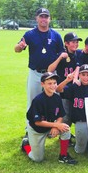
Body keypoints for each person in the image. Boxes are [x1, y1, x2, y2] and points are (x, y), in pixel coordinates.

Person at [14, 8, 64, 137]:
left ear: (50, 19)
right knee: (32, 101)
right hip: (36, 73)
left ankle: (51, 127)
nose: (43, 19)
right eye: (41, 16)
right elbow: (17, 48)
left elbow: (63, 53)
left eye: (46, 16)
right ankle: (29, 128)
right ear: (36, 18)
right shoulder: (30, 34)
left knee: (53, 101)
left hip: (51, 75)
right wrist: (19, 47)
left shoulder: (56, 35)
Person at [21, 72, 77, 164]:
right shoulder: (38, 100)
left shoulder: (57, 98)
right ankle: (26, 145)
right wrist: (55, 125)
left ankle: (63, 156)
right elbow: (38, 122)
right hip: (37, 130)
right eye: (49, 83)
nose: (53, 86)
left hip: (50, 126)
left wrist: (56, 127)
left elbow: (60, 115)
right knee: (37, 158)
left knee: (66, 129)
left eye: (54, 83)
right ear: (42, 84)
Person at [47, 32, 83, 145]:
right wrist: (59, 58)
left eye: (77, 42)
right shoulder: (61, 54)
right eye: (73, 42)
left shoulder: (78, 54)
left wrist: (76, 78)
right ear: (66, 43)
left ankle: (66, 134)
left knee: (73, 113)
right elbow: (50, 69)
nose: (76, 44)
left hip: (74, 89)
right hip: (63, 89)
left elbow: (78, 66)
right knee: (65, 114)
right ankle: (60, 135)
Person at [56, 64, 88, 155]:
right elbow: (58, 89)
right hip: (81, 121)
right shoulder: (74, 87)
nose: (85, 77)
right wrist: (67, 80)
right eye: (83, 75)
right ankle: (81, 142)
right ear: (79, 75)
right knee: (80, 151)